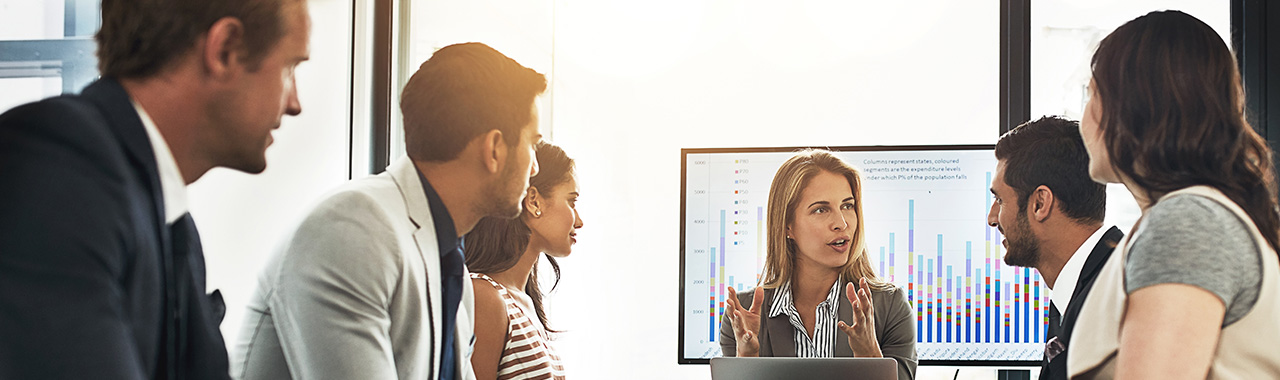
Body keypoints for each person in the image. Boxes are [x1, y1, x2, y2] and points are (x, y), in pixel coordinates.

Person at [0, 0, 310, 378]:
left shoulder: (173, 222)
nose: (295, 103)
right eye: (290, 68)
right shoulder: (55, 163)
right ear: (225, 49)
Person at [231, 42, 544, 380]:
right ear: (494, 148)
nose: (536, 166)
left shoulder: (454, 272)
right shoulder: (352, 229)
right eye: (532, 143)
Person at [1068, 10, 1280, 379]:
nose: (1082, 117)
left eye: (1091, 95)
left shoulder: (1187, 224)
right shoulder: (1199, 215)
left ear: (1130, 108)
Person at [720, 149, 917, 380]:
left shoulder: (890, 306)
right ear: (787, 225)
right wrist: (747, 360)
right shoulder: (744, 313)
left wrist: (870, 356)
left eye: (847, 205)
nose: (841, 223)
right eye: (821, 210)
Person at [986, 116, 1122, 380]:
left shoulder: (1110, 300)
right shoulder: (1082, 286)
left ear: (1040, 203)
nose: (992, 218)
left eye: (1000, 200)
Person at [463, 141, 581, 380]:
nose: (578, 221)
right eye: (571, 201)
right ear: (534, 201)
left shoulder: (525, 302)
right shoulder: (485, 298)